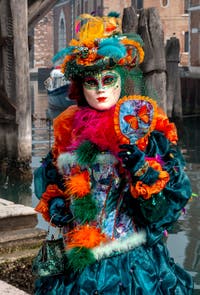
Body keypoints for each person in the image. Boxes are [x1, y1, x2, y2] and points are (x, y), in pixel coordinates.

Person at [33, 12, 193, 295]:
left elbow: (169, 200)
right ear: (80, 88)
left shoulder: (146, 132)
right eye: (91, 83)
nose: (101, 90)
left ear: (121, 79)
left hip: (130, 258)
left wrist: (141, 168)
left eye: (108, 80)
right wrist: (62, 206)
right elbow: (51, 181)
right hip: (79, 254)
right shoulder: (67, 132)